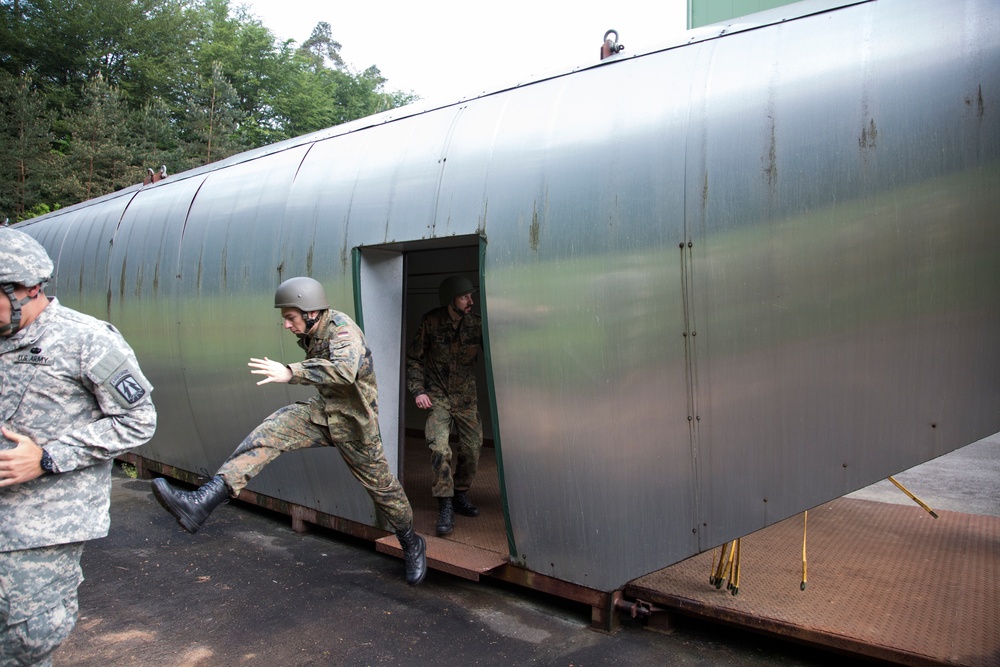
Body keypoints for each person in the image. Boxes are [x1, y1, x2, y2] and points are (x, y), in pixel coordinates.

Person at [150, 276, 427, 586]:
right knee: (271, 431)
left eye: (290, 317)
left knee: (385, 492)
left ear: (311, 311)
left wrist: (290, 371)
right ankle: (203, 501)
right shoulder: (312, 332)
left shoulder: (343, 331)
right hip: (322, 415)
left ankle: (411, 542)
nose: (286, 325)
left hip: (355, 427)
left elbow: (345, 371)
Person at [0, 227, 157, 667]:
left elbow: (138, 419)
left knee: (25, 640)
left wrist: (49, 457)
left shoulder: (86, 340)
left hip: (41, 524)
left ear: (27, 289)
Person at [406, 275, 484, 536]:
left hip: (466, 399)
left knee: (472, 448)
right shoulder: (431, 322)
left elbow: (501, 353)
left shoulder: (476, 325)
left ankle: (460, 493)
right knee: (440, 449)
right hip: (438, 396)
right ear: (451, 300)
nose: (470, 301)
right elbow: (414, 358)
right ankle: (445, 503)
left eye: (470, 296)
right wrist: (418, 390)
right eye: (465, 297)